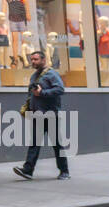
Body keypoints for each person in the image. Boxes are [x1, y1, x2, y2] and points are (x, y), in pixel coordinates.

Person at [13, 48, 70, 180]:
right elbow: (31, 94)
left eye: (36, 59)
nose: (33, 61)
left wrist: (43, 93)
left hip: (50, 114)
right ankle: (28, 170)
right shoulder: (34, 76)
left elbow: (60, 89)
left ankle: (64, 171)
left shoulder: (51, 74)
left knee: (56, 143)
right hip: (37, 114)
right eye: (32, 59)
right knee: (34, 143)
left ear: (43, 60)